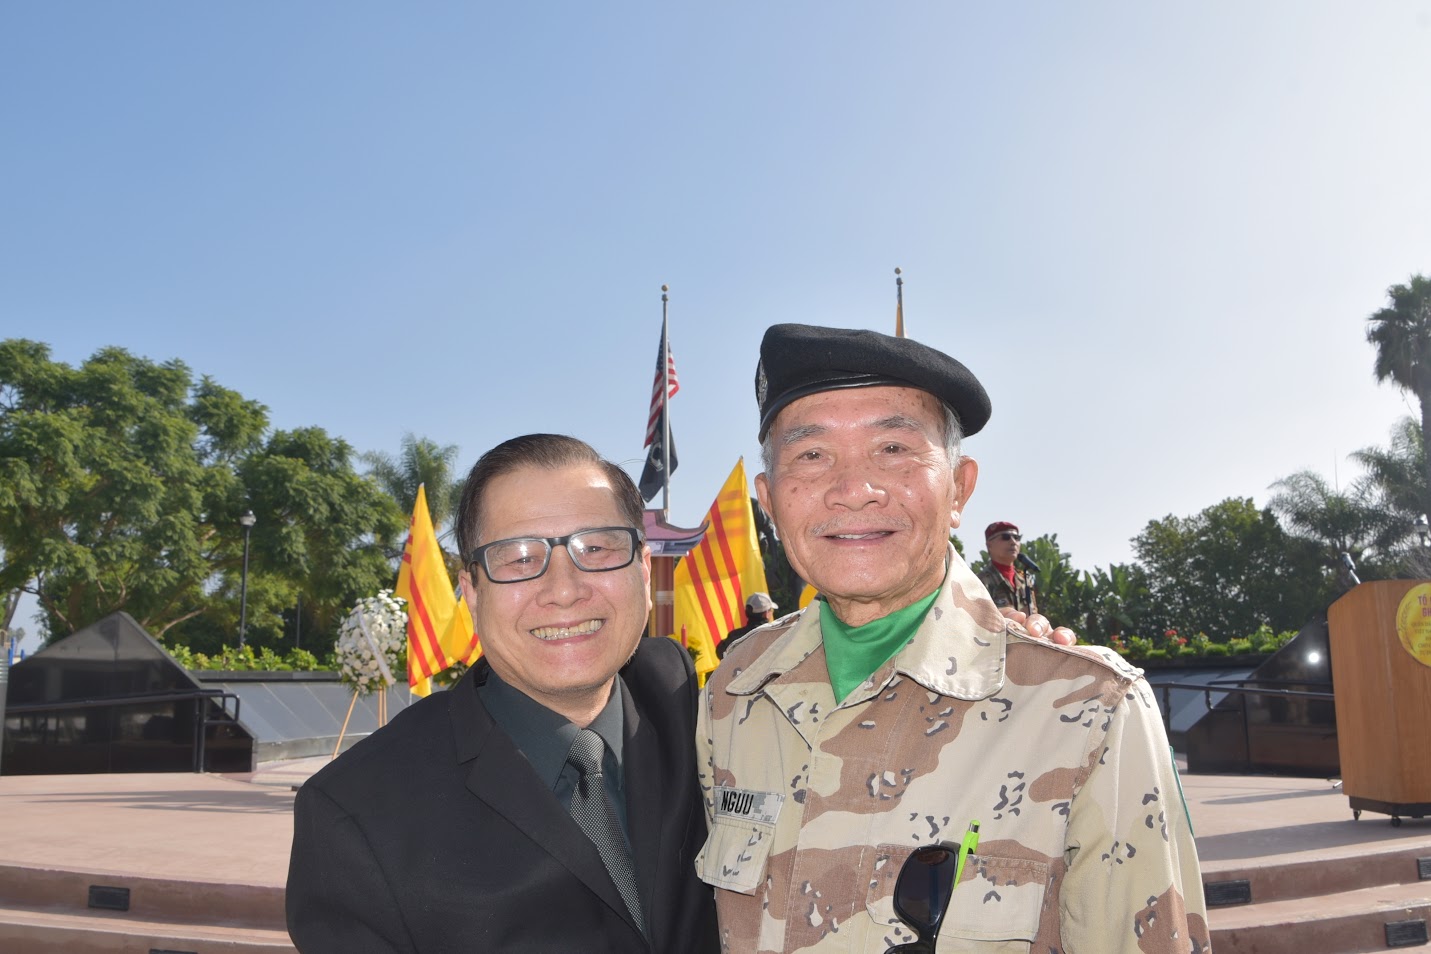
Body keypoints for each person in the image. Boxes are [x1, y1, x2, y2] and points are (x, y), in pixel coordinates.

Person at [696, 324, 1209, 953]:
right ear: (769, 502)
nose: (853, 490)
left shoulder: (1087, 709)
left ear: (960, 488)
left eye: (892, 448)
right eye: (811, 455)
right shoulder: (733, 694)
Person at [287, 434, 718, 954]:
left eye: (596, 549)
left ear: (644, 572)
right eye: (518, 558)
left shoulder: (691, 702)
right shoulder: (355, 817)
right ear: (471, 592)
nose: (564, 590)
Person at [977, 520, 1038, 615]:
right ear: (989, 545)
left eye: (1016, 537)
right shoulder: (979, 582)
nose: (1013, 542)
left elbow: (1033, 612)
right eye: (1005, 537)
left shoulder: (1025, 580)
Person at [715, 592, 778, 660]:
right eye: (771, 610)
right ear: (766, 614)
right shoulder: (774, 634)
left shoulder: (733, 636)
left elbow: (721, 653)